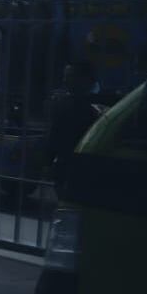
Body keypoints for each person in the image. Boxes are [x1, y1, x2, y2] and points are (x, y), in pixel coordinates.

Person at [45, 60, 101, 196]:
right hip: (67, 166)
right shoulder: (63, 104)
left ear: (85, 79)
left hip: (82, 167)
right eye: (65, 76)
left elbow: (54, 135)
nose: (65, 81)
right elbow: (54, 135)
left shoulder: (96, 107)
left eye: (70, 76)